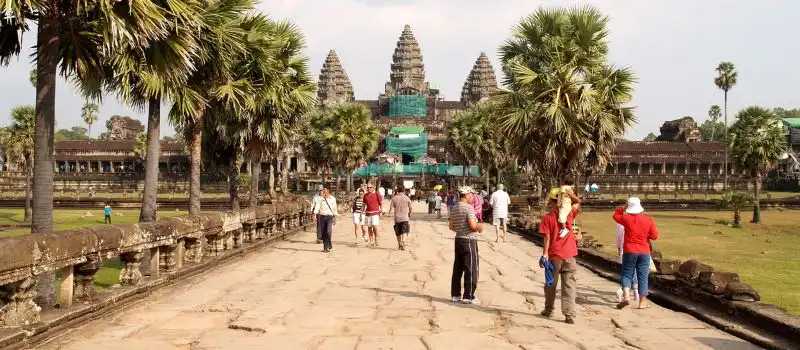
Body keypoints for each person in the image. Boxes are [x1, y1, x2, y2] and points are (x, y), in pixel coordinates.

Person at [538, 187, 580, 324]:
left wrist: (544, 254)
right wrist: (571, 195)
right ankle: (569, 314)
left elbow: (547, 239)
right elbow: (578, 203)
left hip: (554, 255)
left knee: (551, 284)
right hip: (570, 255)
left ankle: (549, 309)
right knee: (569, 286)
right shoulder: (569, 215)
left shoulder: (547, 218)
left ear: (552, 201)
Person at [613, 197, 659, 309]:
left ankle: (627, 296)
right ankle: (642, 302)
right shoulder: (648, 219)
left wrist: (622, 208)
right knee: (643, 276)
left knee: (627, 273)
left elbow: (615, 216)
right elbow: (655, 236)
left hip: (629, 250)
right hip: (644, 251)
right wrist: (645, 235)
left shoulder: (626, 218)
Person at [449, 186, 483, 305]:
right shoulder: (469, 208)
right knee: (471, 268)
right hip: (469, 240)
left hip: (458, 239)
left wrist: (460, 228)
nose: (473, 197)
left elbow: (451, 226)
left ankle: (455, 294)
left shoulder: (454, 208)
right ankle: (469, 296)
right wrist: (480, 227)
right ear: (467, 195)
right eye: (472, 195)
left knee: (458, 268)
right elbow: (473, 226)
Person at [615, 224, 639, 303]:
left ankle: (633, 293)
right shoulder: (637, 221)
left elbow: (618, 239)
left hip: (625, 250)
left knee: (628, 273)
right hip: (635, 250)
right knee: (632, 273)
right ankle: (624, 291)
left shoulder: (620, 224)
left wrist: (619, 249)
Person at [312, 188, 339, 252]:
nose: (323, 191)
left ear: (328, 190)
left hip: (329, 217)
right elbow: (317, 206)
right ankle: (326, 247)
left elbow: (335, 209)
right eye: (322, 189)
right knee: (323, 233)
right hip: (322, 217)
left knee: (328, 231)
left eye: (324, 189)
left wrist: (335, 218)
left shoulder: (332, 199)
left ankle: (329, 243)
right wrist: (314, 214)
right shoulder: (320, 198)